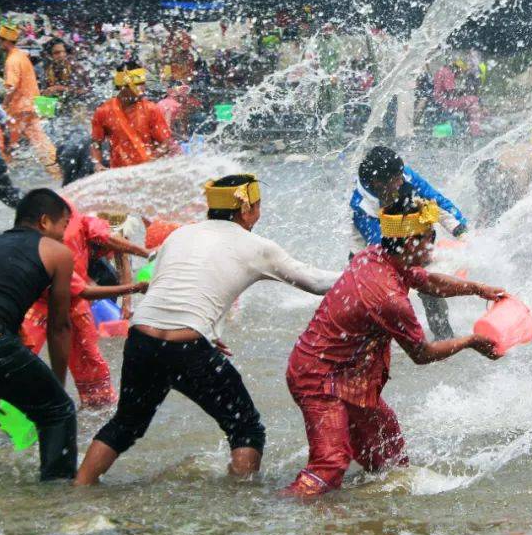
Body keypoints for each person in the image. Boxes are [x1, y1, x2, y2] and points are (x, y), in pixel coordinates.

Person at [74, 174, 340, 485]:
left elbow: (172, 287)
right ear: (246, 210)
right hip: (186, 346)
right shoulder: (257, 247)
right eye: (257, 205)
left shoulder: (180, 235)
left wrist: (208, 331)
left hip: (141, 339)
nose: (259, 212)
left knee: (126, 423)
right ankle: (239, 500)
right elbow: (317, 283)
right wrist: (366, 268)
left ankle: (80, 487)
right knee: (245, 427)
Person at [284, 194, 503, 496]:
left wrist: (478, 289)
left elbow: (428, 282)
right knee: (329, 465)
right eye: (429, 239)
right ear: (411, 242)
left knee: (389, 454)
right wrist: (470, 341)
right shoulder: (388, 297)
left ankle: (369, 514)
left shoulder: (375, 256)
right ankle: (274, 513)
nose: (433, 246)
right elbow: (422, 353)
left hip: (347, 374)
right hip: (318, 379)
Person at [0, 189, 77, 481]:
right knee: (58, 412)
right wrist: (57, 385)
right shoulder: (58, 253)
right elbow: (59, 327)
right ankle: (56, 495)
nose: (64, 235)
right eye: (63, 226)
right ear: (45, 221)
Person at [20, 201, 149, 407]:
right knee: (20, 351)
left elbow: (122, 262)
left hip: (77, 293)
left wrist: (127, 304)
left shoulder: (101, 230)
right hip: (44, 296)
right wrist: (134, 288)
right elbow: (84, 290)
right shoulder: (60, 240)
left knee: (89, 358)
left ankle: (96, 404)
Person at [350, 147, 469, 340]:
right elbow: (383, 248)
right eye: (396, 179)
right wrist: (410, 271)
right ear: (378, 183)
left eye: (401, 176)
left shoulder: (403, 175)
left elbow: (435, 201)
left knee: (429, 286)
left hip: (406, 239)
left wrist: (460, 230)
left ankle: (444, 337)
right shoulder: (362, 206)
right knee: (374, 299)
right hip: (370, 252)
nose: (401, 181)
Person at [0, 24, 61, 181]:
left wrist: (3, 106)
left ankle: (0, 176)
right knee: (38, 139)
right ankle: (56, 169)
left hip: (19, 109)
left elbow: (11, 87)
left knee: (6, 142)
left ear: (5, 41)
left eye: (0, 40)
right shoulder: (21, 56)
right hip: (30, 105)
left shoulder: (12, 60)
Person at [90, 61, 179, 171]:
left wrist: (151, 160)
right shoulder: (103, 111)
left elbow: (166, 142)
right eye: (137, 84)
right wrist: (97, 164)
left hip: (148, 171)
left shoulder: (151, 109)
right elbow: (96, 143)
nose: (142, 89)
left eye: (143, 83)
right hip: (119, 172)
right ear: (122, 86)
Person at [432, 59, 484, 136]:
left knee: (471, 101)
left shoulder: (442, 70)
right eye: (460, 70)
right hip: (445, 101)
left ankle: (472, 127)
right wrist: (463, 93)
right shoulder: (448, 73)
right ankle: (475, 130)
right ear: (457, 68)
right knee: (474, 100)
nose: (460, 73)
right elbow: (450, 92)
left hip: (440, 100)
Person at [39, 38, 89, 110]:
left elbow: (85, 90)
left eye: (64, 52)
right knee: (42, 100)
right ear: (50, 55)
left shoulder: (75, 67)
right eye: (57, 53)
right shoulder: (47, 68)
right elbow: (43, 90)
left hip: (77, 103)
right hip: (57, 104)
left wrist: (59, 88)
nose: (61, 55)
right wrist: (44, 92)